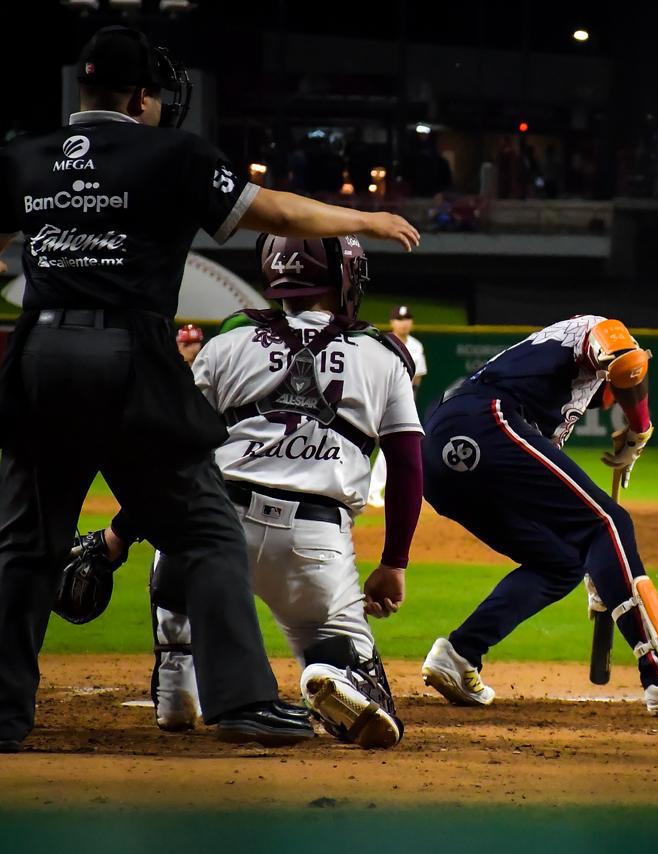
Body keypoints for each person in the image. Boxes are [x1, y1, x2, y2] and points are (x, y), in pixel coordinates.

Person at [0, 25, 419, 752]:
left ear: (81, 90)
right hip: (129, 352)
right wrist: (367, 219)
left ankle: (3, 714)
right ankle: (244, 702)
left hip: (39, 350)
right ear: (140, 98)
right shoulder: (174, 154)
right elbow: (280, 213)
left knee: (25, 546)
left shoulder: (23, 159)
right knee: (204, 528)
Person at [110, 234, 424, 748]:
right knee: (355, 680)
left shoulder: (227, 341)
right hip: (314, 541)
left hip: (216, 524)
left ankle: (176, 687)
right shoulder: (381, 353)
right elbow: (408, 465)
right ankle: (331, 672)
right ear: (343, 278)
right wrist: (394, 563)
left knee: (176, 547)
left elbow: (171, 455)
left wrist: (120, 534)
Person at [418, 316, 658, 716]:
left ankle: (459, 654)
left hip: (436, 459)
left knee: (559, 563)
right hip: (482, 420)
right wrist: (639, 428)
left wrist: (602, 570)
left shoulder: (546, 391)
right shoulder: (590, 329)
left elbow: (554, 501)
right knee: (609, 522)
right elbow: (627, 363)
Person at [368, 304, 426, 508]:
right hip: (380, 398)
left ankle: (375, 489)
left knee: (394, 446)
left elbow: (417, 378)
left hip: (403, 403)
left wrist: (409, 402)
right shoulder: (383, 343)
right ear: (392, 322)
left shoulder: (417, 346)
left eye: (407, 318)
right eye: (399, 319)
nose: (404, 323)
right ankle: (371, 488)